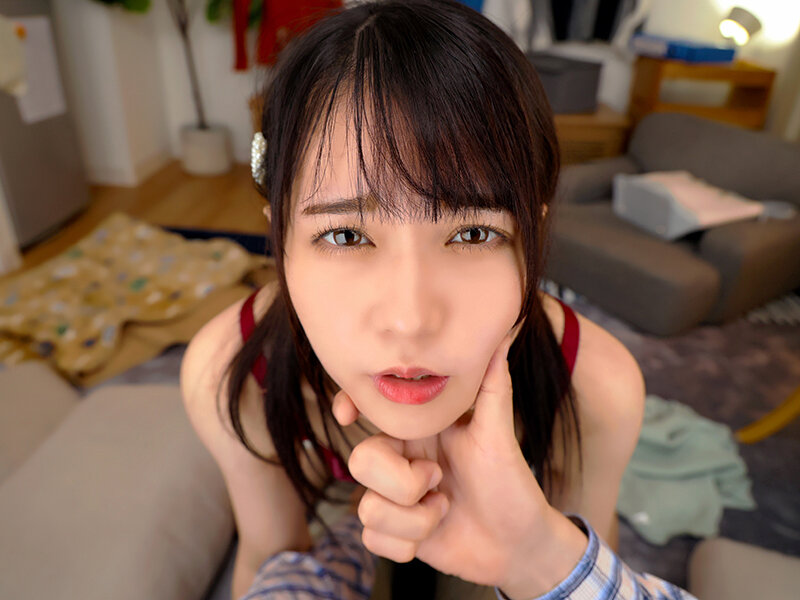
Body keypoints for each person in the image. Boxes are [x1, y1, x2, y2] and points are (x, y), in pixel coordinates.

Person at [179, 0, 668, 598]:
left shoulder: (596, 390)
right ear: (279, 239)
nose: (410, 320)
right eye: (345, 235)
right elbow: (269, 554)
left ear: (533, 235)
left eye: (473, 234)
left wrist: (538, 556)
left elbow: (588, 553)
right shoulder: (229, 375)